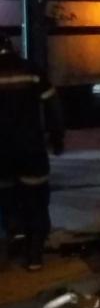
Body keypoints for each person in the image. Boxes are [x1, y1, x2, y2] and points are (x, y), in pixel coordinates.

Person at [0, 37, 65, 271]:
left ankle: (11, 238)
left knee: (5, 198)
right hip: (30, 149)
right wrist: (57, 137)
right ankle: (34, 255)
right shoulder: (32, 71)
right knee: (36, 199)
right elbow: (53, 105)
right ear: (13, 47)